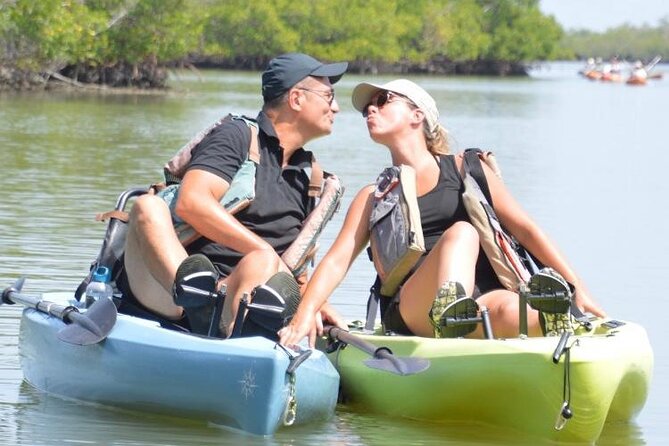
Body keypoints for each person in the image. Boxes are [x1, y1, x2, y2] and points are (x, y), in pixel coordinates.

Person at [279, 79, 606, 348]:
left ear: (417, 115)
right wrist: (303, 316)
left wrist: (579, 291)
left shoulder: (467, 169)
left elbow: (526, 230)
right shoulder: (372, 197)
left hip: (481, 302)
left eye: (383, 99)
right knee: (463, 234)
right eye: (368, 106)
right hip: (413, 306)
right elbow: (337, 261)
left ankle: (554, 321)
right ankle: (450, 313)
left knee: (516, 310)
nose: (371, 109)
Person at [120, 53, 348, 336]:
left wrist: (314, 304)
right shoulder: (237, 135)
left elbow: (294, 265)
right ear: (297, 99)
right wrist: (262, 249)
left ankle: (227, 333)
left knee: (262, 263)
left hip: (235, 304)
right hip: (167, 296)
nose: (336, 108)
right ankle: (197, 300)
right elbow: (192, 203)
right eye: (329, 96)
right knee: (147, 206)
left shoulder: (308, 176)